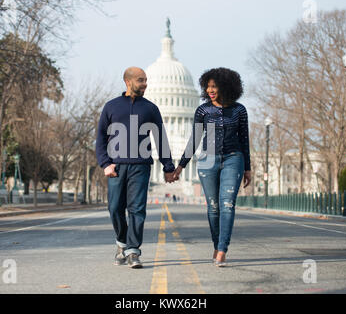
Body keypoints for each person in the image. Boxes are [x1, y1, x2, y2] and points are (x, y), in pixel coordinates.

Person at [96, 66, 178, 269]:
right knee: (115, 208)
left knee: (137, 209)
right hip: (116, 166)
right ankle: (121, 243)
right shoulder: (111, 107)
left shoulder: (150, 108)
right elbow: (100, 138)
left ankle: (133, 251)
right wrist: (105, 163)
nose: (145, 84)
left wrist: (168, 167)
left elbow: (160, 138)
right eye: (141, 80)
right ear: (128, 81)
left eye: (145, 80)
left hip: (140, 166)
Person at [173, 67, 251, 267]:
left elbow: (244, 140)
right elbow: (195, 139)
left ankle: (223, 249)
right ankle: (217, 245)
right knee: (213, 207)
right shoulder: (203, 110)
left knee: (227, 204)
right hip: (208, 159)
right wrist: (181, 166)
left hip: (233, 158)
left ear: (226, 86)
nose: (210, 90)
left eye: (214, 86)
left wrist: (247, 168)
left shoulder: (239, 110)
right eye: (207, 87)